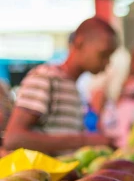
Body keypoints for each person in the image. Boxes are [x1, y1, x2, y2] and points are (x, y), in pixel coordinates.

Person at [4, 17, 118, 155]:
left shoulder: (73, 87)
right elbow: (13, 138)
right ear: (79, 43)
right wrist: (86, 140)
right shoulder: (45, 77)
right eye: (103, 54)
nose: (107, 62)